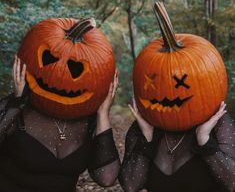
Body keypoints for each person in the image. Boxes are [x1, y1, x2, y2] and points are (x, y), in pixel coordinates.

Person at [0, 55, 120, 192]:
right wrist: (18, 102)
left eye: (75, 69)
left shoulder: (88, 120)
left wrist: (103, 113)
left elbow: (107, 178)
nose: (64, 77)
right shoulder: (15, 109)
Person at [119, 97, 235, 192]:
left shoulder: (217, 122)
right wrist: (147, 138)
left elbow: (232, 183)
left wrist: (204, 140)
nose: (171, 93)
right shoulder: (143, 126)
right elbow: (130, 186)